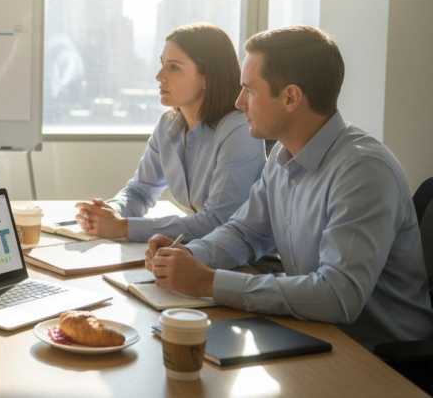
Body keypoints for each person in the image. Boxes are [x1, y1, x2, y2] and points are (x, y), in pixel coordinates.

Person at [147, 26, 433, 350]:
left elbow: (338, 296)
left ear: (290, 98)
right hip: (319, 336)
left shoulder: (363, 173)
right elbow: (245, 233)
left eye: (249, 91)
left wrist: (209, 282)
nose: (239, 102)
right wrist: (185, 256)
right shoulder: (282, 158)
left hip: (383, 361)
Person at [75, 23, 266, 242]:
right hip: (200, 251)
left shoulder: (238, 131)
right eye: (162, 64)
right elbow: (140, 191)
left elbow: (217, 222)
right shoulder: (168, 125)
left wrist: (123, 227)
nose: (159, 76)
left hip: (248, 261)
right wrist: (109, 213)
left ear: (208, 78)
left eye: (174, 67)